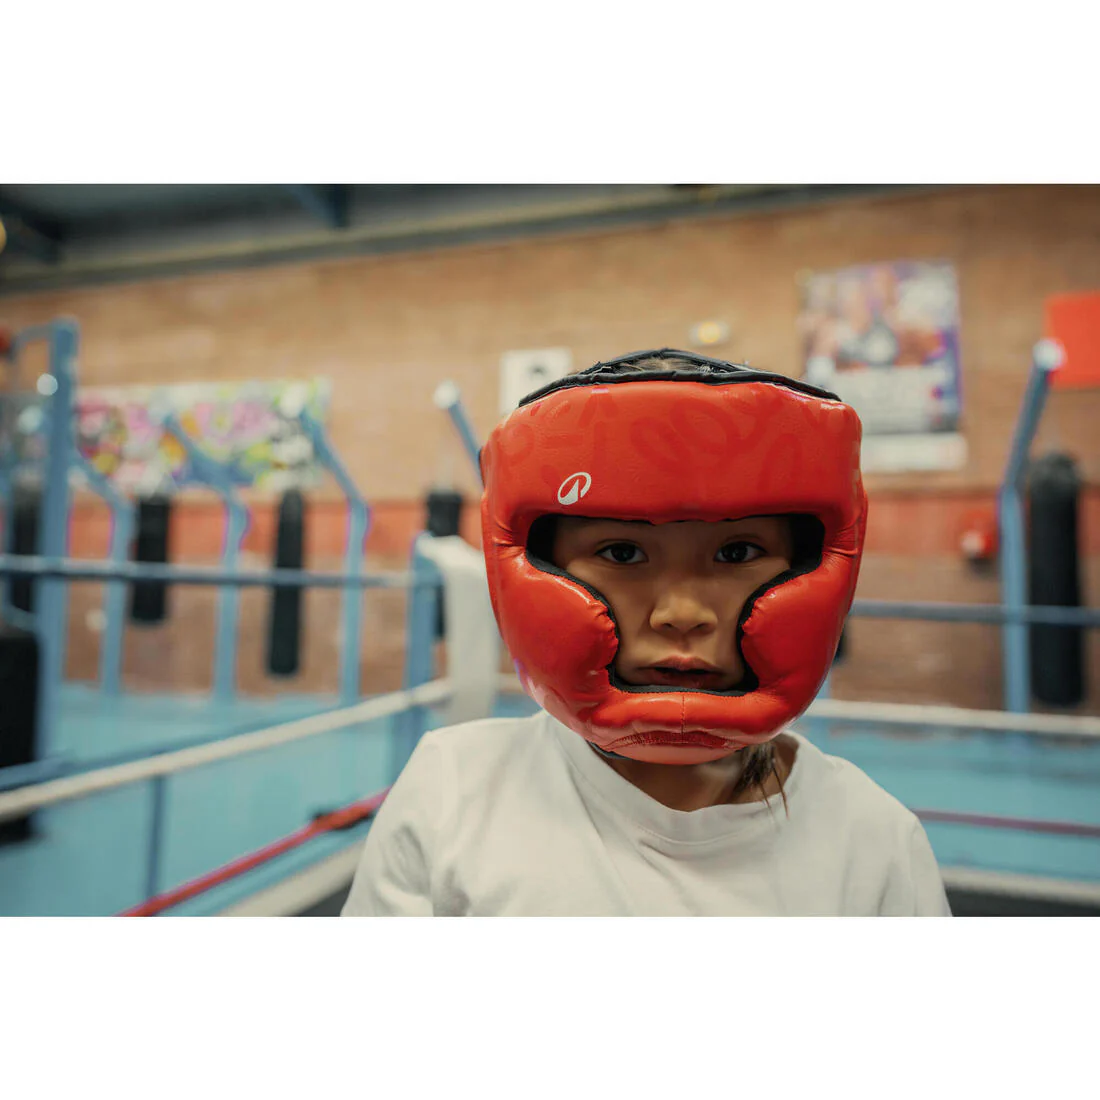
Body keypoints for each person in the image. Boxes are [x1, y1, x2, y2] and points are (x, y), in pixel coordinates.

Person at [342, 349, 951, 916]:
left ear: (809, 566)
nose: (681, 613)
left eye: (737, 551)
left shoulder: (875, 843)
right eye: (624, 553)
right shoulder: (451, 791)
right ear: (534, 564)